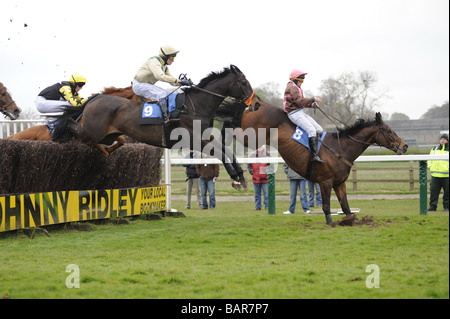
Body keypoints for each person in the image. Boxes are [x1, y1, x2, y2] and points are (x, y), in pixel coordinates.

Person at [132, 45, 192, 124]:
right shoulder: (154, 62)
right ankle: (165, 118)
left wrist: (184, 82)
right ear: (165, 56)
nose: (173, 61)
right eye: (172, 58)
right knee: (162, 95)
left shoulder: (165, 67)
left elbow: (172, 82)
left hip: (147, 85)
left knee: (169, 94)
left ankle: (170, 114)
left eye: (173, 58)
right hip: (138, 85)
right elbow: (160, 76)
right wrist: (179, 81)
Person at [283, 69, 324, 163]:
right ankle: (313, 156)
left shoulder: (296, 87)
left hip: (300, 112)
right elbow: (300, 101)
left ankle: (315, 151)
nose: (302, 82)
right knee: (312, 130)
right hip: (294, 114)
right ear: (295, 79)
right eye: (301, 80)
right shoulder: (292, 87)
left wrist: (312, 105)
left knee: (319, 130)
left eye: (303, 80)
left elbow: (301, 103)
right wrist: (313, 99)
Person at [427, 133, 449, 212]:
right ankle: (433, 206)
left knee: (447, 193)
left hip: (447, 175)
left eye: (444, 139)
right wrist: (431, 167)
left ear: (447, 140)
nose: (442, 140)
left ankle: (447, 207)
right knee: (433, 192)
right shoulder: (434, 149)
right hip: (435, 175)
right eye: (441, 139)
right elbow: (429, 159)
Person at [248, 145, 270, 211]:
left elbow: (270, 165)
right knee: (257, 194)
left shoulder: (267, 154)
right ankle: (258, 206)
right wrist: (252, 173)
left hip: (265, 178)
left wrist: (266, 172)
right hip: (255, 178)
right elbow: (249, 165)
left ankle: (267, 206)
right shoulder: (252, 155)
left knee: (266, 194)